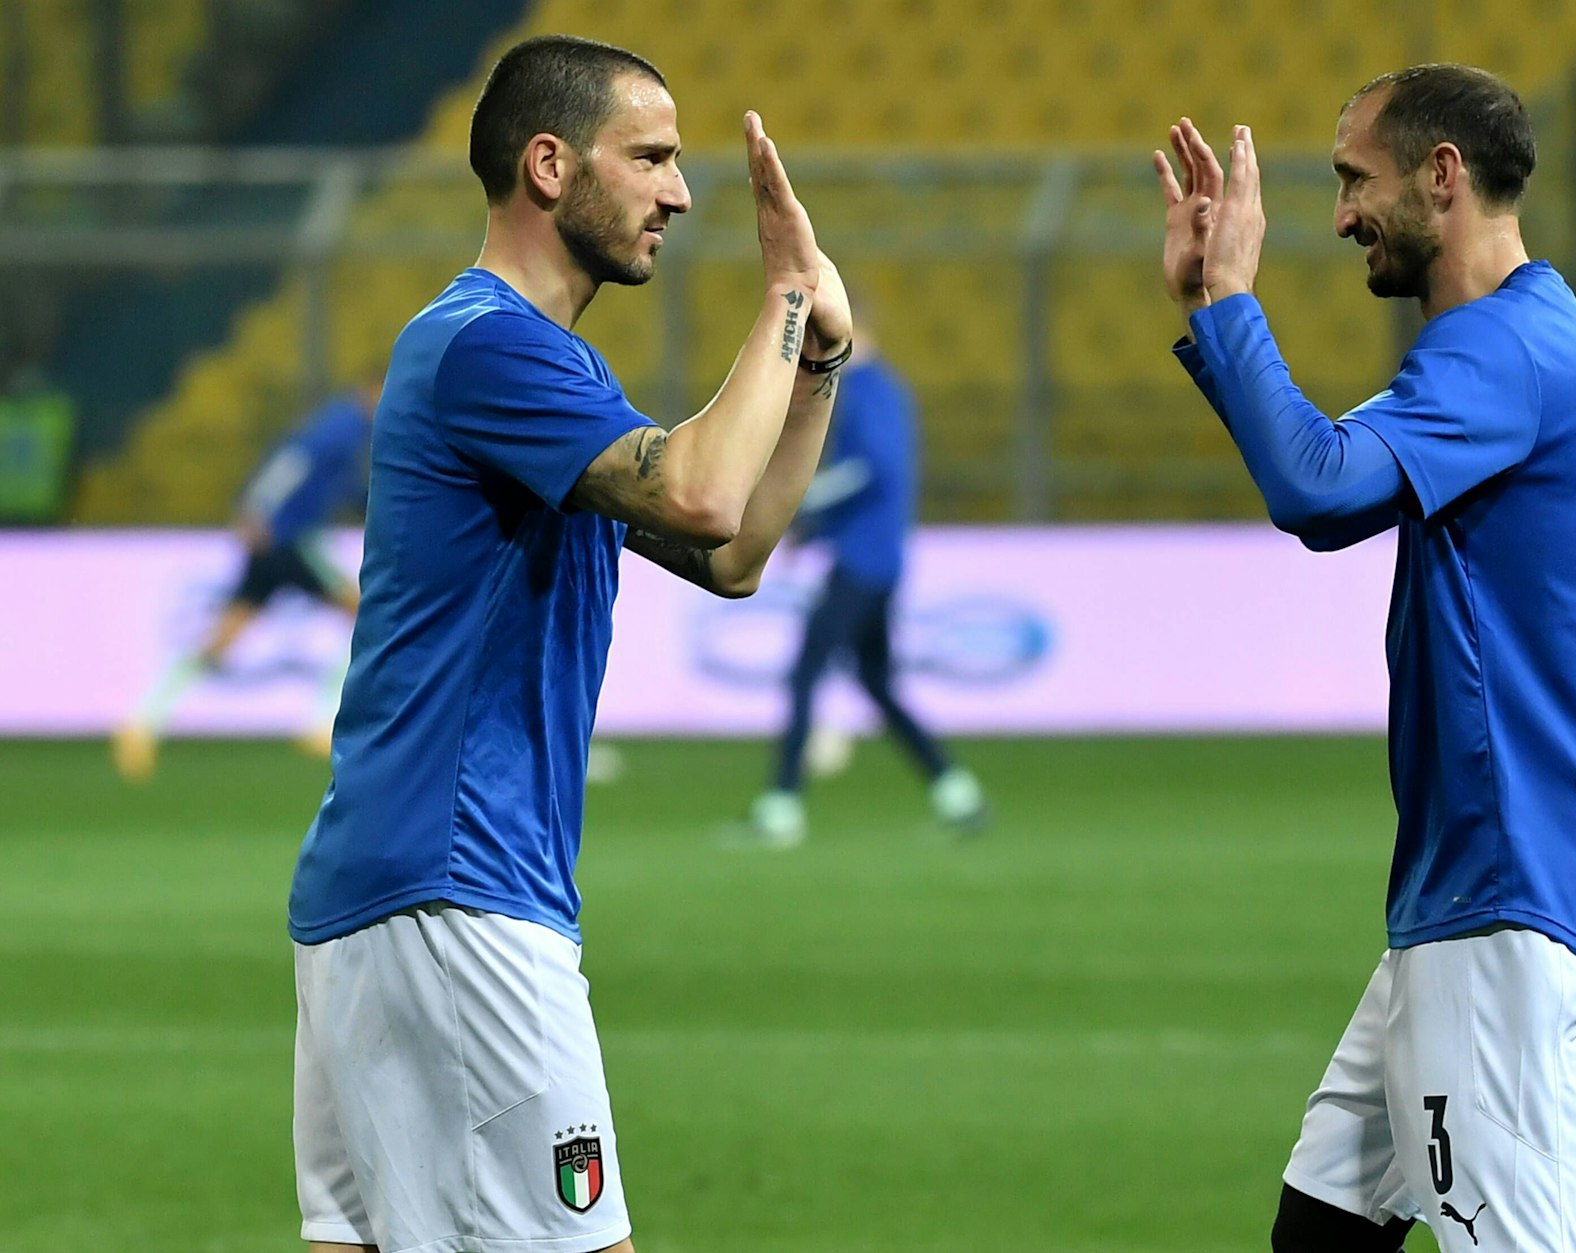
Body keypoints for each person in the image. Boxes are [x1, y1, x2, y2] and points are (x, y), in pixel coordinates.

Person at [286, 35, 850, 1253]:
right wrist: (787, 293)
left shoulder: (524, 361)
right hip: (458, 890)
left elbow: (731, 554)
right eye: (648, 156)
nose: (679, 192)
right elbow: (703, 491)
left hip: (390, 893)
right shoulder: (487, 344)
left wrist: (815, 364)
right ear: (548, 164)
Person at [1154, 66, 1576, 1253]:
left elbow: (1313, 486)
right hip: (1475, 890)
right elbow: (1331, 489)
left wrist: (1231, 300)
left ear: (1441, 177)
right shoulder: (1524, 346)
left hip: (1509, 901)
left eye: (1350, 181)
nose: (1337, 218)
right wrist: (1209, 309)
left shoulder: (1506, 353)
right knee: (1321, 1226)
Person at [746, 314, 985, 847]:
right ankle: (957, 791)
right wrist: (819, 525)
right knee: (877, 683)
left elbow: (868, 468)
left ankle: (781, 805)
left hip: (862, 561)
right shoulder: (887, 390)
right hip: (880, 558)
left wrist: (802, 506)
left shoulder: (868, 390)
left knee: (807, 672)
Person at [111, 376, 378, 781]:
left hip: (276, 542)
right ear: (372, 389)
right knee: (366, 616)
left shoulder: (346, 425)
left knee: (224, 637)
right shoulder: (342, 426)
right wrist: (257, 508)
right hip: (289, 540)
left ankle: (142, 721)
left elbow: (338, 486)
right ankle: (321, 722)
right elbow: (293, 461)